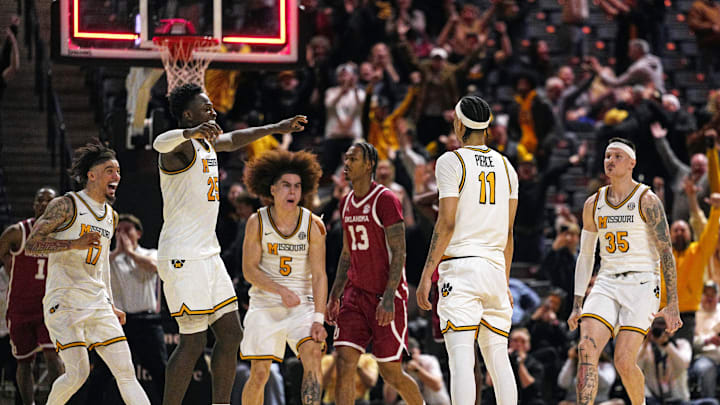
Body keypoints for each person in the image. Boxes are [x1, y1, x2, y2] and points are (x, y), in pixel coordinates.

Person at [151, 83, 307, 405]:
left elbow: (236, 139)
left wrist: (277, 127)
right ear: (188, 115)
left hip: (208, 254)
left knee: (231, 334)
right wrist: (190, 132)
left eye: (212, 107)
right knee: (192, 343)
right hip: (183, 254)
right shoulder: (179, 148)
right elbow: (158, 142)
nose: (213, 111)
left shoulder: (207, 146)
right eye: (206, 108)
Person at [23, 141, 150, 405]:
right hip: (65, 299)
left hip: (97, 301)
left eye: (118, 171)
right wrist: (73, 243)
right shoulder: (67, 205)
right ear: (91, 175)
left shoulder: (111, 216)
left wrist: (111, 303)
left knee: (126, 373)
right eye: (109, 171)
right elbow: (33, 245)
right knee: (77, 374)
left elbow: (102, 264)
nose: (117, 176)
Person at [417, 95, 519, 405]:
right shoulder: (507, 166)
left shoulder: (452, 160)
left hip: (461, 269)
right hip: (494, 269)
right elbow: (509, 233)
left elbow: (445, 223)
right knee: (498, 360)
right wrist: (505, 279)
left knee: (461, 361)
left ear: (460, 124)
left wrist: (425, 275)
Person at [567, 137, 683, 405]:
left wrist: (672, 302)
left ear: (632, 162)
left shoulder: (647, 199)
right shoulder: (592, 204)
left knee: (623, 361)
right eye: (608, 156)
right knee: (586, 349)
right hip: (607, 281)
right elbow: (586, 255)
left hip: (642, 283)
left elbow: (666, 252)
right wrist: (577, 303)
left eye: (618, 156)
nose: (610, 161)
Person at [326, 142, 423, 405]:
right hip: (355, 294)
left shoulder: (386, 199)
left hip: (385, 295)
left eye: (353, 159)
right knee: (344, 361)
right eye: (345, 158)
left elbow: (399, 252)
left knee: (390, 372)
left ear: (368, 164)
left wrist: (390, 296)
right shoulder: (345, 202)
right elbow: (346, 254)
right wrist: (335, 295)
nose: (346, 163)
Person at [239, 149, 327, 405]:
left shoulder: (312, 224)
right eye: (286, 186)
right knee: (259, 373)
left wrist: (319, 318)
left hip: (303, 305)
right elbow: (249, 270)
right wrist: (280, 290)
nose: (292, 192)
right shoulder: (257, 221)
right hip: (266, 303)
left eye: (297, 186)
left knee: (313, 354)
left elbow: (320, 275)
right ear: (273, 190)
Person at [0, 187, 64, 405]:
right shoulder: (17, 232)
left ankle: (58, 402)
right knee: (24, 362)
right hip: (20, 306)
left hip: (50, 306)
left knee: (53, 356)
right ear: (34, 204)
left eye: (50, 200)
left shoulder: (64, 235)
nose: (45, 204)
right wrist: (11, 268)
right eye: (40, 200)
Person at [107, 214, 166, 401]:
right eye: (119, 231)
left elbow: (154, 267)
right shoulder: (109, 259)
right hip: (120, 324)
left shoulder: (150, 253)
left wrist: (130, 253)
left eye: (127, 230)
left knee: (160, 371)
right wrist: (118, 252)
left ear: (138, 233)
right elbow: (96, 270)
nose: (122, 234)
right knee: (104, 374)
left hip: (147, 323)